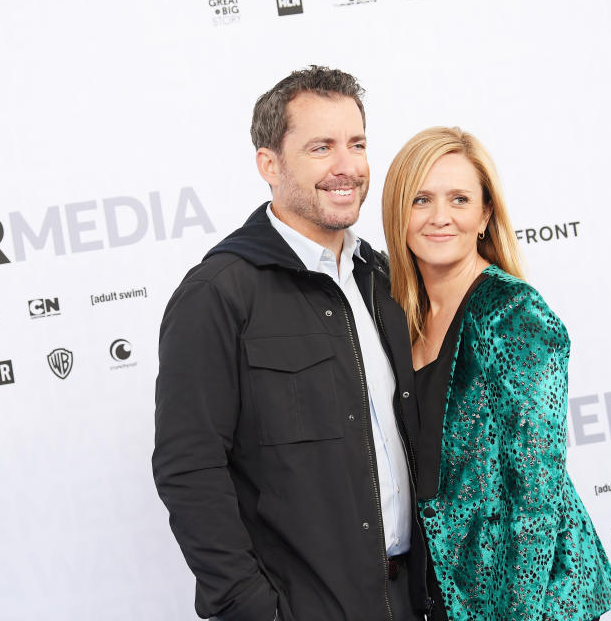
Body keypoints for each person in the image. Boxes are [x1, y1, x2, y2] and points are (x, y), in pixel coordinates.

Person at [152, 65, 431, 621]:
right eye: (320, 147)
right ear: (269, 164)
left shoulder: (379, 278)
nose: (346, 167)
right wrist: (252, 610)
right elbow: (189, 468)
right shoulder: (219, 294)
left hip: (409, 601)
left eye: (357, 144)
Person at [380, 126, 611, 620]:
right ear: (397, 211)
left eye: (460, 199)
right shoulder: (401, 320)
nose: (440, 217)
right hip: (452, 592)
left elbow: (536, 494)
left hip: (529, 600)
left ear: (485, 214)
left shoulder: (513, 314)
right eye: (421, 199)